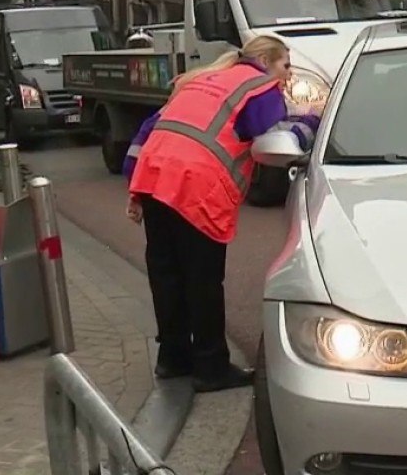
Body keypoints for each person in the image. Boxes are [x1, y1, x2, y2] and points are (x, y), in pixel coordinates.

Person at [124, 35, 322, 392]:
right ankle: (211, 366)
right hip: (196, 182)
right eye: (286, 65)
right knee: (202, 279)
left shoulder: (199, 80)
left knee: (167, 275)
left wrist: (135, 187)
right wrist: (311, 121)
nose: (289, 75)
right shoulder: (261, 86)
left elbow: (148, 130)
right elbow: (274, 135)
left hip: (154, 176)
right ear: (265, 61)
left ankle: (172, 358)